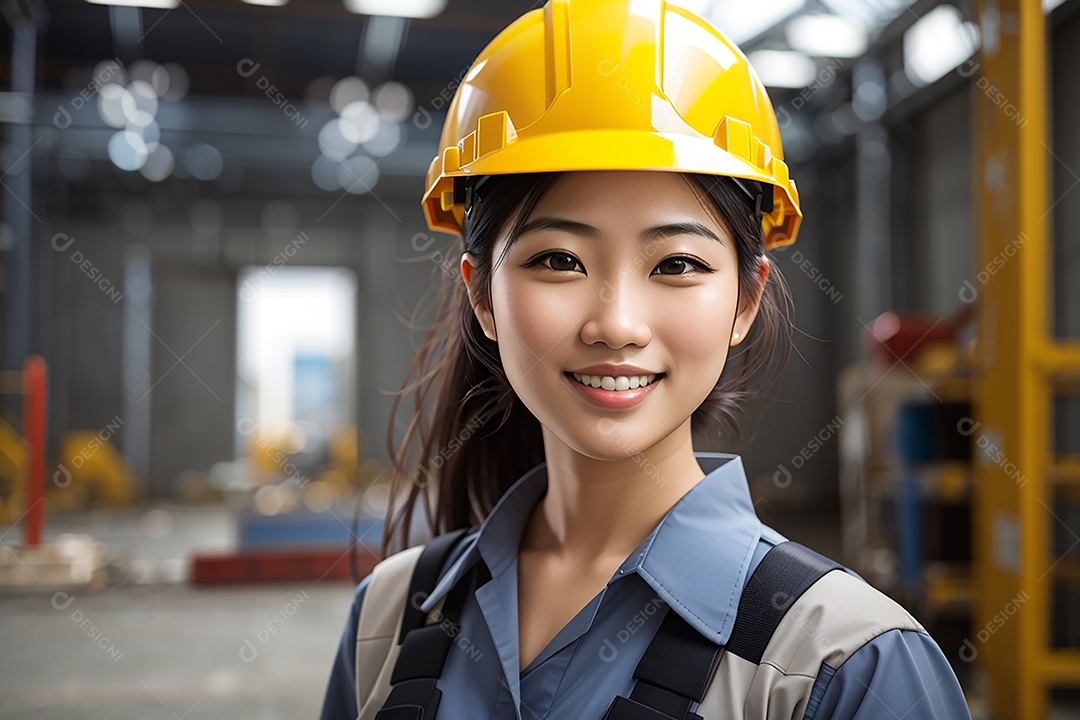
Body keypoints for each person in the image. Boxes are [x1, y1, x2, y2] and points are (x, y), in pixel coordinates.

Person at [319, 1, 972, 718]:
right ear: (482, 298)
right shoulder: (389, 618)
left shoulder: (847, 667)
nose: (616, 325)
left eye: (678, 264)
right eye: (558, 259)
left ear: (746, 302)